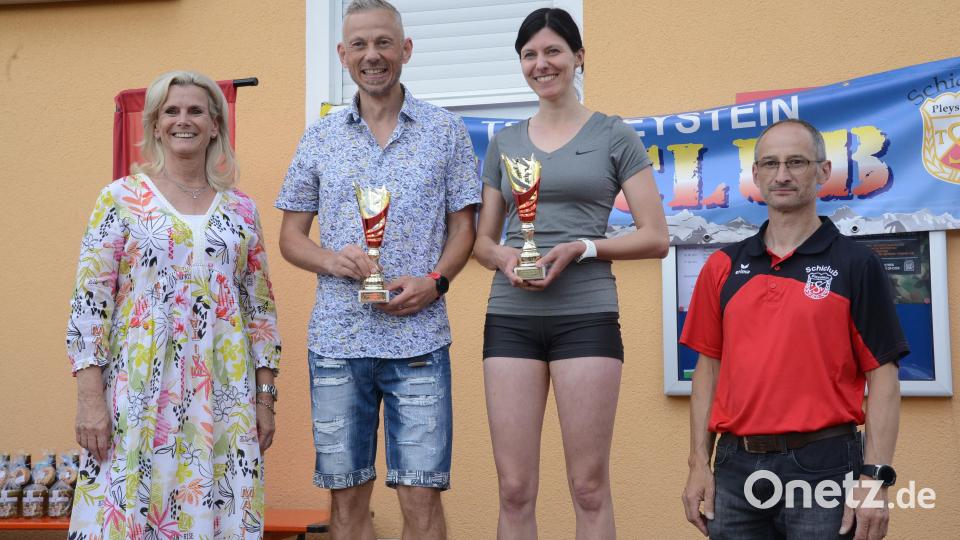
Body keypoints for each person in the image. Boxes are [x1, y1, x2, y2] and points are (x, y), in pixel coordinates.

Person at [274, 1, 479, 538]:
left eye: (384, 43)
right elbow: (290, 238)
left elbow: (464, 229)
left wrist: (436, 282)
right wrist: (331, 259)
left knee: (422, 500)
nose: (373, 55)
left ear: (405, 50)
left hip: (419, 341)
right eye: (360, 45)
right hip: (338, 342)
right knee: (346, 507)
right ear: (343, 55)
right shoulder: (320, 136)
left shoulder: (445, 131)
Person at [472, 8, 669, 539]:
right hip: (510, 318)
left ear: (578, 57)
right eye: (530, 55)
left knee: (588, 486)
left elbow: (656, 236)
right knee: (514, 488)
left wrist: (584, 248)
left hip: (587, 317)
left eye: (554, 51)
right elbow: (482, 241)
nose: (542, 64)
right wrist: (505, 258)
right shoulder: (504, 141)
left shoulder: (614, 134)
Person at [67, 70, 281, 538]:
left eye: (196, 111)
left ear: (215, 125)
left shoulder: (242, 210)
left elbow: (260, 310)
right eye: (172, 110)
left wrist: (265, 401)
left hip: (224, 399)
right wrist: (89, 401)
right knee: (130, 512)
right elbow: (90, 303)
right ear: (156, 124)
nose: (183, 120)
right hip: (137, 393)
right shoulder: (120, 199)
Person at [680, 119, 908, 539]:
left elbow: (883, 374)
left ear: (823, 172)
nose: (782, 175)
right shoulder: (723, 266)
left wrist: (874, 478)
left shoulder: (856, 264)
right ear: (756, 175)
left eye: (796, 162)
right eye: (770, 163)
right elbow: (707, 371)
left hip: (823, 464)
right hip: (733, 466)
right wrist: (699, 465)